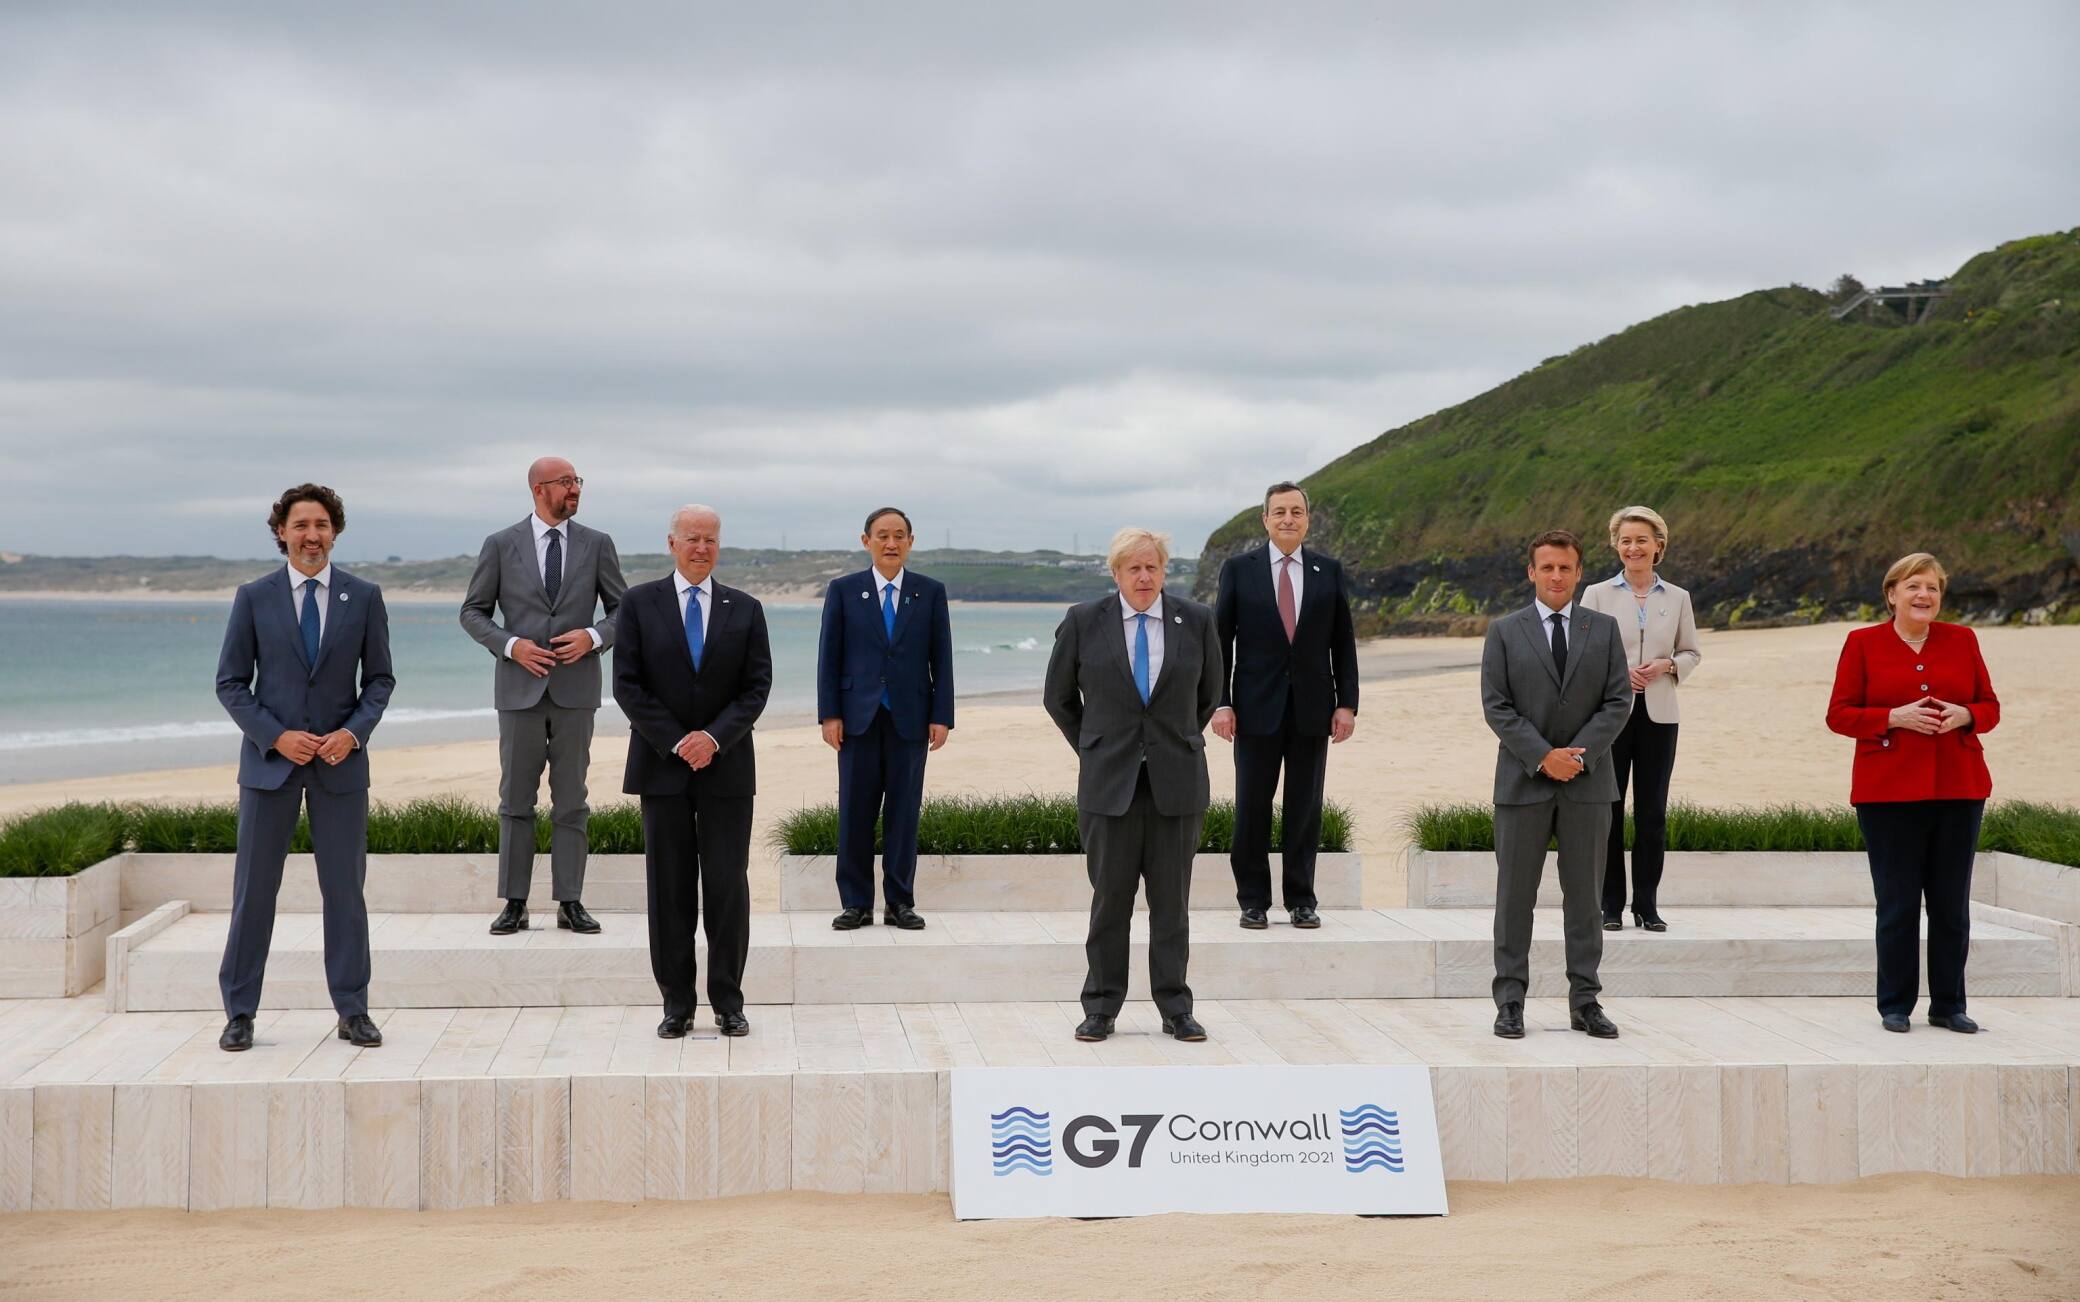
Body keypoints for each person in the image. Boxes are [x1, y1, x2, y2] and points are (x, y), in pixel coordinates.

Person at [214, 484, 394, 1052]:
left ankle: (353, 1010)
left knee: (345, 892)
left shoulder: (363, 597)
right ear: (282, 533)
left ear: (334, 531)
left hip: (341, 768)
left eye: (320, 525)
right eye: (300, 526)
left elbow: (380, 680)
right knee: (254, 893)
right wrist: (276, 736)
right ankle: (239, 1012)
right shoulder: (254, 597)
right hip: (270, 768)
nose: (311, 535)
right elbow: (231, 684)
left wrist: (352, 733)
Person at [1043, 527, 1223, 1043]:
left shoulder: (1197, 620)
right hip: (1109, 786)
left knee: (1173, 904)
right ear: (1116, 572)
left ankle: (1175, 1007)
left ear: (1165, 570)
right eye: (1133, 568)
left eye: (1153, 567)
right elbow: (1058, 698)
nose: (1144, 577)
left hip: (1178, 784)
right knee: (1110, 902)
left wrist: (1170, 740)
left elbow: (1208, 695)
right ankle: (1100, 1006)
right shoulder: (1083, 621)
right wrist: (1095, 747)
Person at [613, 505, 772, 1039]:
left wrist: (714, 738)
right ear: (672, 543)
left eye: (710, 539)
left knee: (728, 888)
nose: (701, 547)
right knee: (670, 891)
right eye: (691, 538)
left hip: (727, 770)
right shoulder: (638, 604)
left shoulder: (746, 609)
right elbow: (628, 686)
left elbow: (757, 687)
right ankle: (676, 1005)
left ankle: (729, 1002)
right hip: (662, 769)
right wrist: (680, 740)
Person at [1825, 553, 1998, 1034]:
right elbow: (1839, 714)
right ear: (1892, 594)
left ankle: (1948, 1005)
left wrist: (1966, 715)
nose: (1924, 596)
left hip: (1959, 787)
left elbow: (1990, 705)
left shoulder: (1962, 640)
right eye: (1914, 587)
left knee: (1950, 904)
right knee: (1898, 904)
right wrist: (1892, 717)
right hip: (1888, 794)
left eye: (1933, 589)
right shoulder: (1862, 643)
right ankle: (1895, 1006)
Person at [460, 457, 626, 937]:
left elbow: (623, 611)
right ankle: (514, 903)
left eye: (577, 481)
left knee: (572, 800)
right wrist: (512, 646)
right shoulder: (500, 544)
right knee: (515, 800)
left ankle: (570, 901)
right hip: (518, 692)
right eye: (565, 483)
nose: (574, 489)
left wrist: (593, 638)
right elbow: (473, 612)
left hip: (576, 692)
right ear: (538, 489)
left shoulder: (598, 544)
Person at [1480, 529, 1632, 1041]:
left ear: (1579, 572)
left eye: (1565, 568)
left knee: (1586, 899)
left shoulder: (1605, 630)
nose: (1556, 576)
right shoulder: (1504, 631)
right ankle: (1510, 1002)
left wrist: (1578, 759)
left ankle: (1585, 1001)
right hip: (1523, 783)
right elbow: (1496, 706)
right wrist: (1544, 757)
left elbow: (1618, 702)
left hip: (1589, 786)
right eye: (1547, 567)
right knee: (1513, 898)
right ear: (1531, 572)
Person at [1211, 481, 1360, 930]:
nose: (1288, 519)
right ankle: (1253, 900)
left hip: (1314, 708)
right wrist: (1221, 703)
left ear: (1307, 519)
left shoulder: (1327, 571)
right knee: (1252, 806)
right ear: (1266, 519)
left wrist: (1347, 703)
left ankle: (1301, 900)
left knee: (1305, 808)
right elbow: (1221, 641)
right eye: (1280, 512)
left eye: (1296, 511)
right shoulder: (1239, 569)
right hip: (1255, 709)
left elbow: (1343, 641)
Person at [816, 507, 954, 931]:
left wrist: (942, 715)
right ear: (866, 541)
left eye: (899, 536)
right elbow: (829, 656)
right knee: (855, 813)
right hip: (857, 718)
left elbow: (941, 657)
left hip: (910, 718)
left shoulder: (929, 592)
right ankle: (856, 903)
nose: (890, 543)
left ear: (911, 541)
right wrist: (829, 714)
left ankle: (899, 901)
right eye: (882, 536)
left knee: (903, 814)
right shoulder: (843, 590)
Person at [1577, 506, 1701, 932]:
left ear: (1658, 546)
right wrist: (1616, 673)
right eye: (1626, 540)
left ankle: (1646, 906)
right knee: (1608, 809)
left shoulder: (1678, 598)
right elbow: (1581, 655)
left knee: (1652, 812)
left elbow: (1691, 652)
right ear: (1616, 546)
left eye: (1642, 540)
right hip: (1610, 715)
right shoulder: (1595, 594)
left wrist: (1667, 665)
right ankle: (1610, 906)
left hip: (1661, 716)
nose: (1633, 547)